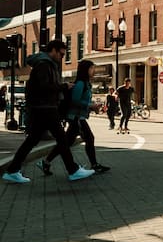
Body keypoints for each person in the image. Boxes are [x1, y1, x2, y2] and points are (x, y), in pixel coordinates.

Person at [2, 40, 94, 183]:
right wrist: (63, 86)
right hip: (45, 107)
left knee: (33, 140)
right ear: (53, 50)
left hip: (43, 107)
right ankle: (73, 170)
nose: (62, 57)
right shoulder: (44, 65)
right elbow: (44, 87)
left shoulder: (45, 64)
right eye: (61, 54)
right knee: (61, 139)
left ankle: (13, 170)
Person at [38, 60, 111, 175]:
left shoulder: (86, 83)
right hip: (76, 117)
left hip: (78, 116)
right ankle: (94, 165)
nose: (93, 71)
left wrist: (92, 107)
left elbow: (82, 100)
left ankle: (46, 162)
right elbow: (75, 101)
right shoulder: (81, 83)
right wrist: (90, 105)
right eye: (91, 68)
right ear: (85, 70)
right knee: (89, 138)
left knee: (66, 142)